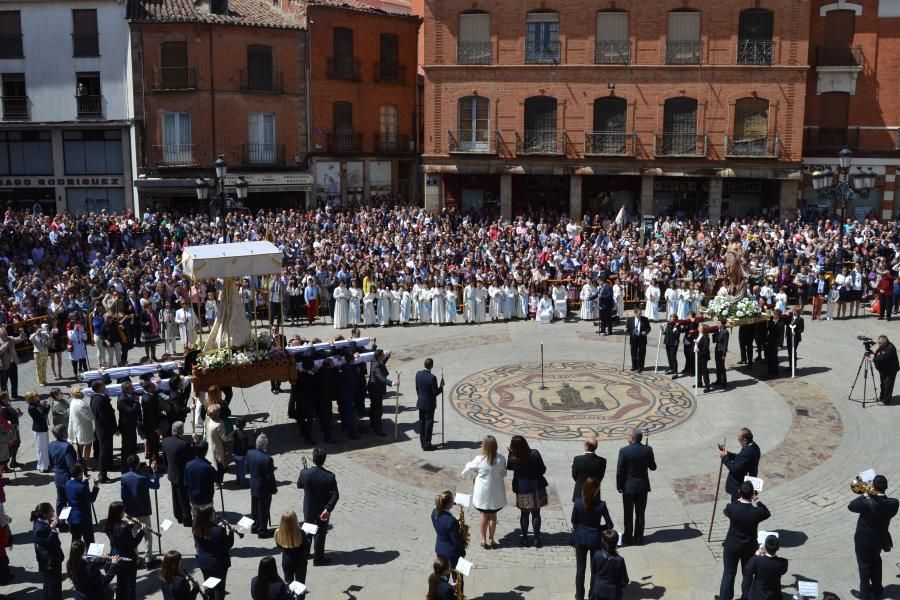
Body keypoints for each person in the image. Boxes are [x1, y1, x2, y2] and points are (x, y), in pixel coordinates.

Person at [848, 474, 899, 599]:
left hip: (863, 540)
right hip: (879, 540)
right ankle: (878, 590)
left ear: (873, 486)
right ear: (886, 487)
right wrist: (872, 494)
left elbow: (851, 506)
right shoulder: (894, 503)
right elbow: (884, 503)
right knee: (876, 563)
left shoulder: (866, 502)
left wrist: (866, 494)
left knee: (864, 566)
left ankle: (864, 593)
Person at [718, 481, 771, 600]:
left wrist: (739, 499)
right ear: (752, 494)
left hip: (732, 546)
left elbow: (727, 511)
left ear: (739, 493)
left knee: (729, 573)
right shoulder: (756, 512)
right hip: (748, 547)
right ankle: (746, 597)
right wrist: (757, 500)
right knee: (747, 574)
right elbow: (766, 512)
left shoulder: (731, 508)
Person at [461, 435, 506, 548]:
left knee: (483, 515)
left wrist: (469, 476)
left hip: (482, 494)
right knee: (493, 515)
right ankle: (492, 539)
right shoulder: (501, 459)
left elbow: (467, 470)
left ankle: (483, 539)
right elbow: (504, 473)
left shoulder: (479, 459)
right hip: (496, 493)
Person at [296, 446, 339, 565]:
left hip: (309, 508)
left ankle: (305, 553)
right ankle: (318, 558)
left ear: (313, 459)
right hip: (322, 510)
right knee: (320, 532)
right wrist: (328, 509)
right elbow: (335, 495)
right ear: (324, 460)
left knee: (308, 530)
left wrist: (304, 475)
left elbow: (299, 485)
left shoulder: (305, 473)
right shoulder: (330, 476)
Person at [572, 477, 613, 600]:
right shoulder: (601, 505)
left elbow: (574, 520)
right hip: (595, 539)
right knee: (594, 569)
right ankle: (592, 594)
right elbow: (610, 524)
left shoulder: (578, 503)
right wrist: (599, 529)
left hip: (580, 539)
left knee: (580, 569)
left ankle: (579, 596)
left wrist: (581, 529)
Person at [615, 427, 656, 545]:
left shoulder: (624, 451)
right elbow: (653, 467)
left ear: (632, 438)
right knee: (640, 513)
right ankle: (639, 537)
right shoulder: (648, 450)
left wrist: (619, 486)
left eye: (627, 435)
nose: (626, 437)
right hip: (642, 487)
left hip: (628, 488)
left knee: (628, 513)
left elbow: (620, 471)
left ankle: (628, 536)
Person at [507, 435, 548, 548]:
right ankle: (537, 539)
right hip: (536, 487)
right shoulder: (535, 453)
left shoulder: (514, 458)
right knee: (536, 514)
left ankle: (525, 539)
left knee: (524, 514)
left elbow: (509, 466)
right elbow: (543, 469)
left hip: (522, 488)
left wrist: (510, 452)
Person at [120, 454, 160, 565]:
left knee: (133, 535)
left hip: (131, 512)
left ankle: (135, 558)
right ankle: (148, 558)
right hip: (143, 511)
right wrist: (155, 471)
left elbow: (123, 495)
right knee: (147, 534)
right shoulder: (143, 478)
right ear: (137, 464)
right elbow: (156, 485)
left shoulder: (123, 477)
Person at [105, 500, 145, 600]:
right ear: (119, 512)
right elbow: (132, 544)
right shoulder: (123, 526)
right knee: (130, 585)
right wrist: (142, 532)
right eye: (123, 511)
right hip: (127, 559)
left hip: (115, 556)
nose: (124, 512)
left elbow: (117, 536)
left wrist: (130, 526)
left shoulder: (108, 524)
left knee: (120, 583)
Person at [193, 505, 234, 600]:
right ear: (209, 516)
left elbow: (208, 534)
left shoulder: (196, 529)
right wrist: (230, 532)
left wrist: (217, 527)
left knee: (209, 584)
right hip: (218, 564)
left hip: (203, 561)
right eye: (213, 513)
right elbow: (228, 545)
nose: (215, 515)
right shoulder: (219, 530)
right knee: (219, 588)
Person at [162, 421, 194, 527]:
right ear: (181, 431)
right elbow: (192, 458)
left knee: (175, 496)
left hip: (172, 473)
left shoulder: (165, 441)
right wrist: (195, 441)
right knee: (184, 498)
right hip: (182, 475)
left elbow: (165, 458)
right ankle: (186, 519)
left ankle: (178, 515)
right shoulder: (184, 444)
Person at [32, 502, 64, 600]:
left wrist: (59, 523)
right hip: (49, 562)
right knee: (53, 585)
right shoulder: (39, 528)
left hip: (54, 558)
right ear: (45, 514)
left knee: (51, 584)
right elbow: (47, 544)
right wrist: (53, 530)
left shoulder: (46, 520)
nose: (54, 512)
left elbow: (65, 528)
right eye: (51, 510)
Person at [247, 433, 277, 538]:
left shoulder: (249, 453)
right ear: (264, 445)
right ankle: (262, 531)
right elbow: (270, 477)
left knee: (255, 508)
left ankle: (255, 526)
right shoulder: (267, 459)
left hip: (254, 485)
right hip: (263, 488)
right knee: (263, 510)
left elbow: (248, 468)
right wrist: (274, 489)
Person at [720, 428, 761, 503]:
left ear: (745, 441)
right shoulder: (754, 447)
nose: (739, 442)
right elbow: (739, 458)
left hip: (738, 485)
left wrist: (724, 458)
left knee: (736, 506)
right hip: (744, 483)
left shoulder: (748, 452)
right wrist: (728, 454)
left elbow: (734, 469)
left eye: (739, 440)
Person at [743, 534, 788, 600]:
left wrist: (756, 555)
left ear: (765, 547)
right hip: (775, 596)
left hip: (758, 595)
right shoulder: (783, 562)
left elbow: (747, 570)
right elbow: (783, 571)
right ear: (777, 548)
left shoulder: (757, 560)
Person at [89, 379, 117, 483]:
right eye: (103, 386)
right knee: (104, 453)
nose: (105, 387)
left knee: (108, 450)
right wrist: (114, 429)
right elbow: (106, 417)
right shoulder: (100, 400)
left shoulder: (95, 398)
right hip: (104, 430)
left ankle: (110, 466)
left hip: (102, 430)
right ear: (99, 388)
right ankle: (102, 475)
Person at [588, 528, 628, 600]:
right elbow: (624, 580)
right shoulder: (619, 560)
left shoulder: (596, 555)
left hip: (598, 590)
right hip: (613, 593)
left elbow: (593, 574)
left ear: (603, 541)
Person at [66, 463, 100, 543]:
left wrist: (84, 483)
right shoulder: (82, 487)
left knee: (75, 541)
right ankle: (91, 555)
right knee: (89, 540)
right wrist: (95, 485)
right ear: (80, 473)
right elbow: (91, 499)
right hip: (84, 519)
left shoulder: (67, 483)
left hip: (72, 518)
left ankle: (75, 555)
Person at [49, 424, 77, 518]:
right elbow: (72, 466)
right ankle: (67, 519)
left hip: (58, 477)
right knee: (70, 501)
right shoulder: (67, 447)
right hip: (67, 478)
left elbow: (51, 461)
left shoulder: (51, 444)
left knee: (61, 500)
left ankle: (61, 522)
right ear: (64, 433)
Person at [185, 441, 217, 524]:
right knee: (208, 522)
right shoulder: (208, 467)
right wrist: (220, 465)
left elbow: (186, 484)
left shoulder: (188, 465)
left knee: (197, 519)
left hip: (194, 499)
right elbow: (218, 479)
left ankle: (197, 534)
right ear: (206, 451)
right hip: (206, 499)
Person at [416, 358, 444, 451]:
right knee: (428, 424)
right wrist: (441, 387)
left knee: (422, 423)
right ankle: (427, 445)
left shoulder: (418, 374)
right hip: (429, 404)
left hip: (420, 402)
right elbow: (435, 392)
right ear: (431, 366)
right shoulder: (432, 377)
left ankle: (422, 443)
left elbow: (417, 388)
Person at [432, 490, 466, 565]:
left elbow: (443, 525)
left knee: (444, 574)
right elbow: (457, 542)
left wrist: (455, 520)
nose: (454, 502)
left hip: (440, 549)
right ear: (448, 504)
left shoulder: (434, 512)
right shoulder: (451, 522)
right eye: (452, 500)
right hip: (452, 555)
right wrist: (464, 540)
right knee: (456, 575)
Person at [274, 510, 308, 586]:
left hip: (287, 560)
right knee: (300, 585)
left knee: (289, 583)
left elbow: (279, 545)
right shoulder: (301, 533)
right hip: (300, 561)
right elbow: (306, 547)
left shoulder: (278, 533)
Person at [366, 349, 394, 436]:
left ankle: (373, 423)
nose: (384, 356)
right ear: (379, 357)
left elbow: (381, 363)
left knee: (374, 407)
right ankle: (377, 429)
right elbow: (381, 378)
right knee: (378, 410)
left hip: (373, 389)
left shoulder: (375, 361)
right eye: (383, 355)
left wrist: (387, 358)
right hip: (376, 390)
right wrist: (392, 383)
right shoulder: (377, 366)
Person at [571, 437, 606, 501]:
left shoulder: (578, 459)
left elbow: (574, 475)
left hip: (579, 492)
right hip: (594, 492)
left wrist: (580, 482)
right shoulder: (602, 461)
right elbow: (600, 476)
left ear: (587, 446)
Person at [68, 385, 94, 471]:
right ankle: (86, 463)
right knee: (87, 444)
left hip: (78, 426)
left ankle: (80, 462)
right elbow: (89, 417)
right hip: (83, 428)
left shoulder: (73, 401)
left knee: (80, 446)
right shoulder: (80, 404)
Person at [26, 390, 51, 472]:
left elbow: (42, 411)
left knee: (45, 448)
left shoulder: (36, 404)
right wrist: (47, 405)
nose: (38, 396)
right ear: (32, 398)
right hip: (39, 430)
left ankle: (46, 464)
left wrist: (43, 404)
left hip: (42, 428)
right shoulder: (32, 408)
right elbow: (43, 415)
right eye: (36, 395)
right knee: (41, 449)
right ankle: (43, 467)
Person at [117, 382, 140, 469]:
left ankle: (133, 464)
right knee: (127, 448)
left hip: (131, 425)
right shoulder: (122, 400)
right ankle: (125, 467)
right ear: (126, 390)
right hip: (126, 427)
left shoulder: (130, 395)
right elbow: (130, 411)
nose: (133, 389)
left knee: (133, 445)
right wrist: (136, 401)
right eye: (131, 388)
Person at [872, 335, 899, 406]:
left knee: (888, 385)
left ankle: (886, 401)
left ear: (885, 342)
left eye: (880, 343)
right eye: (878, 342)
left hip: (891, 370)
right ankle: (881, 397)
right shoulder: (883, 346)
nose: (879, 344)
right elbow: (878, 354)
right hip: (884, 369)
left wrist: (872, 360)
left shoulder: (890, 348)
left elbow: (882, 358)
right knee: (883, 384)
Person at [713, 318, 730, 390]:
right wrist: (715, 334)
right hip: (717, 350)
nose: (718, 324)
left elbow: (725, 344)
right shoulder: (718, 331)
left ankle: (724, 382)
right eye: (717, 323)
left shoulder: (725, 332)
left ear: (723, 324)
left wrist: (724, 354)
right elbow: (715, 341)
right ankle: (718, 380)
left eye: (719, 323)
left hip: (721, 352)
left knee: (722, 367)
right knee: (717, 366)